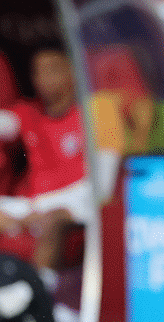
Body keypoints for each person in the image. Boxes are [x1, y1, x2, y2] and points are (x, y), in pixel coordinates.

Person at [0, 43, 93, 307]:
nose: (43, 79)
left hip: (75, 211)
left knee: (52, 221)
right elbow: (5, 124)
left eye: (52, 70)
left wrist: (41, 211)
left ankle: (38, 296)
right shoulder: (28, 113)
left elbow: (97, 186)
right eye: (37, 72)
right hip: (32, 207)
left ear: (73, 72)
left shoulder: (93, 115)